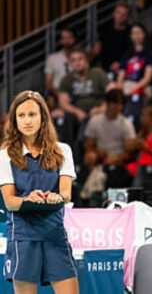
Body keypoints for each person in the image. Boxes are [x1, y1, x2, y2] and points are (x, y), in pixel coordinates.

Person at [0, 90, 78, 294]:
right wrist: (28, 199)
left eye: (32, 114)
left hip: (55, 234)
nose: (27, 120)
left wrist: (57, 197)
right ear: (14, 120)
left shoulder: (63, 150)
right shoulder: (4, 154)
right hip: (23, 237)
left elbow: (66, 194)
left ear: (43, 117)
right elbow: (9, 202)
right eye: (21, 115)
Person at [115, 23, 152, 128]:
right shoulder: (126, 55)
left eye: (139, 33)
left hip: (141, 86)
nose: (136, 35)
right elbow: (120, 77)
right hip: (126, 86)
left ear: (144, 34)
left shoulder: (150, 54)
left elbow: (147, 78)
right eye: (134, 33)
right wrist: (119, 90)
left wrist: (133, 89)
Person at [58, 46, 109, 123]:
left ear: (86, 60)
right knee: (62, 117)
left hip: (98, 110)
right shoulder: (66, 79)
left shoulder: (97, 73)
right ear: (70, 63)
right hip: (78, 114)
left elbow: (113, 91)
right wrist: (77, 111)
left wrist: (101, 109)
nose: (77, 63)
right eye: (73, 60)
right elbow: (63, 103)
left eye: (80, 59)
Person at [90, 1, 132, 76]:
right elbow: (96, 49)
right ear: (114, 14)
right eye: (118, 13)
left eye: (124, 14)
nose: (120, 16)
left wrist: (121, 63)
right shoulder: (105, 29)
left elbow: (132, 53)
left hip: (123, 67)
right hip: (104, 66)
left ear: (128, 17)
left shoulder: (131, 32)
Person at [126, 106, 152, 178]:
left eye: (144, 116)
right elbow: (131, 144)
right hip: (141, 162)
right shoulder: (143, 132)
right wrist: (135, 144)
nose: (142, 119)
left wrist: (146, 148)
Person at [45, 27, 76, 96]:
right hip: (57, 94)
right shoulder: (52, 58)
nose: (67, 41)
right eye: (64, 38)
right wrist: (58, 95)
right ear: (61, 40)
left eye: (69, 37)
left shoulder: (79, 58)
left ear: (74, 39)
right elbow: (48, 83)